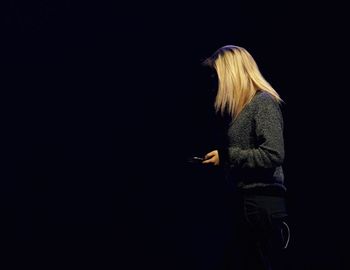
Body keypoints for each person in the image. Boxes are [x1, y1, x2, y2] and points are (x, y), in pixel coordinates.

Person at [201, 45, 289, 270]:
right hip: (247, 204)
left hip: (261, 206)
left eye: (217, 75)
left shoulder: (263, 103)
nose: (215, 81)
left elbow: (274, 154)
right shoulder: (244, 109)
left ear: (231, 74)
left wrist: (228, 156)